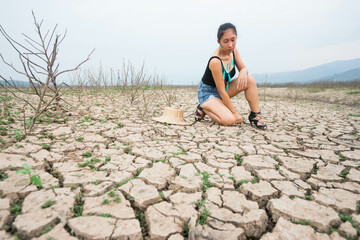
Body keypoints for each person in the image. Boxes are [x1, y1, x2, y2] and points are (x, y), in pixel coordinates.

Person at [196, 23, 267, 130]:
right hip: (208, 93)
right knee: (229, 120)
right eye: (225, 41)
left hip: (224, 89)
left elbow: (243, 68)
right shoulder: (215, 61)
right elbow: (221, 91)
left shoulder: (233, 51)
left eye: (233, 40)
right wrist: (235, 113)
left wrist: (244, 70)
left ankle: (255, 115)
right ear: (218, 42)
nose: (230, 45)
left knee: (250, 79)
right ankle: (204, 107)